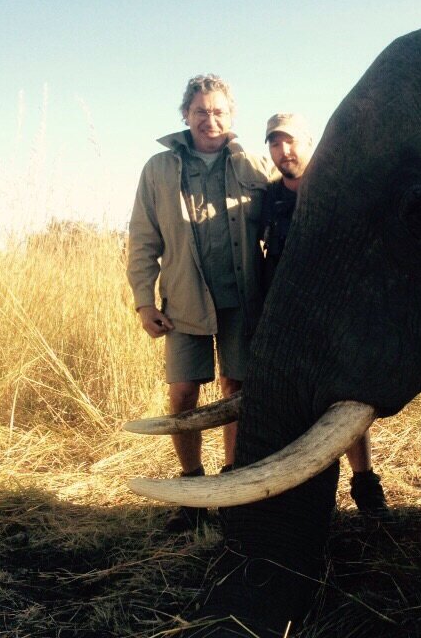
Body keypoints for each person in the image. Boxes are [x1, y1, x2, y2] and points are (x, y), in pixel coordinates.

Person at [127, 75, 274, 532]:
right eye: (200, 112)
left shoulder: (253, 164)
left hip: (242, 301)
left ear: (231, 116)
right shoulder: (158, 169)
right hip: (183, 301)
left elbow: (284, 221)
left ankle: (233, 486)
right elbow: (143, 240)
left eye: (218, 112)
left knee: (237, 392)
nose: (209, 120)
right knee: (184, 394)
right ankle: (191, 488)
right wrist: (143, 301)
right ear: (185, 115)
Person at [261, 112, 389, 516]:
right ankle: (304, 503)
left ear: (310, 141)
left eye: (291, 141)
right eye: (275, 144)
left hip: (336, 320)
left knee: (344, 406)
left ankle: (366, 488)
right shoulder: (267, 199)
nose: (285, 151)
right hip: (287, 323)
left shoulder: (338, 186)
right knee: (293, 410)